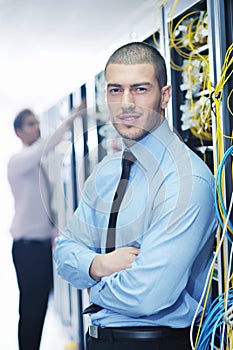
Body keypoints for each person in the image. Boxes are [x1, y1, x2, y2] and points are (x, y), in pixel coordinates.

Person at [54, 42, 218, 350]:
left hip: (155, 343)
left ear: (165, 96)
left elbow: (150, 293)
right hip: (100, 340)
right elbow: (63, 253)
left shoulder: (185, 180)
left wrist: (93, 286)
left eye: (140, 89)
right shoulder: (107, 172)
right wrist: (99, 265)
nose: (127, 103)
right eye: (116, 90)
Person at [7, 106, 82, 350]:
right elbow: (48, 143)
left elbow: (44, 203)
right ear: (18, 132)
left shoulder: (36, 165)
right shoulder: (19, 161)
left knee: (37, 307)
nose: (36, 128)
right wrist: (71, 118)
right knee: (31, 308)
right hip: (27, 248)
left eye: (37, 122)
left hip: (39, 247)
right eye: (30, 124)